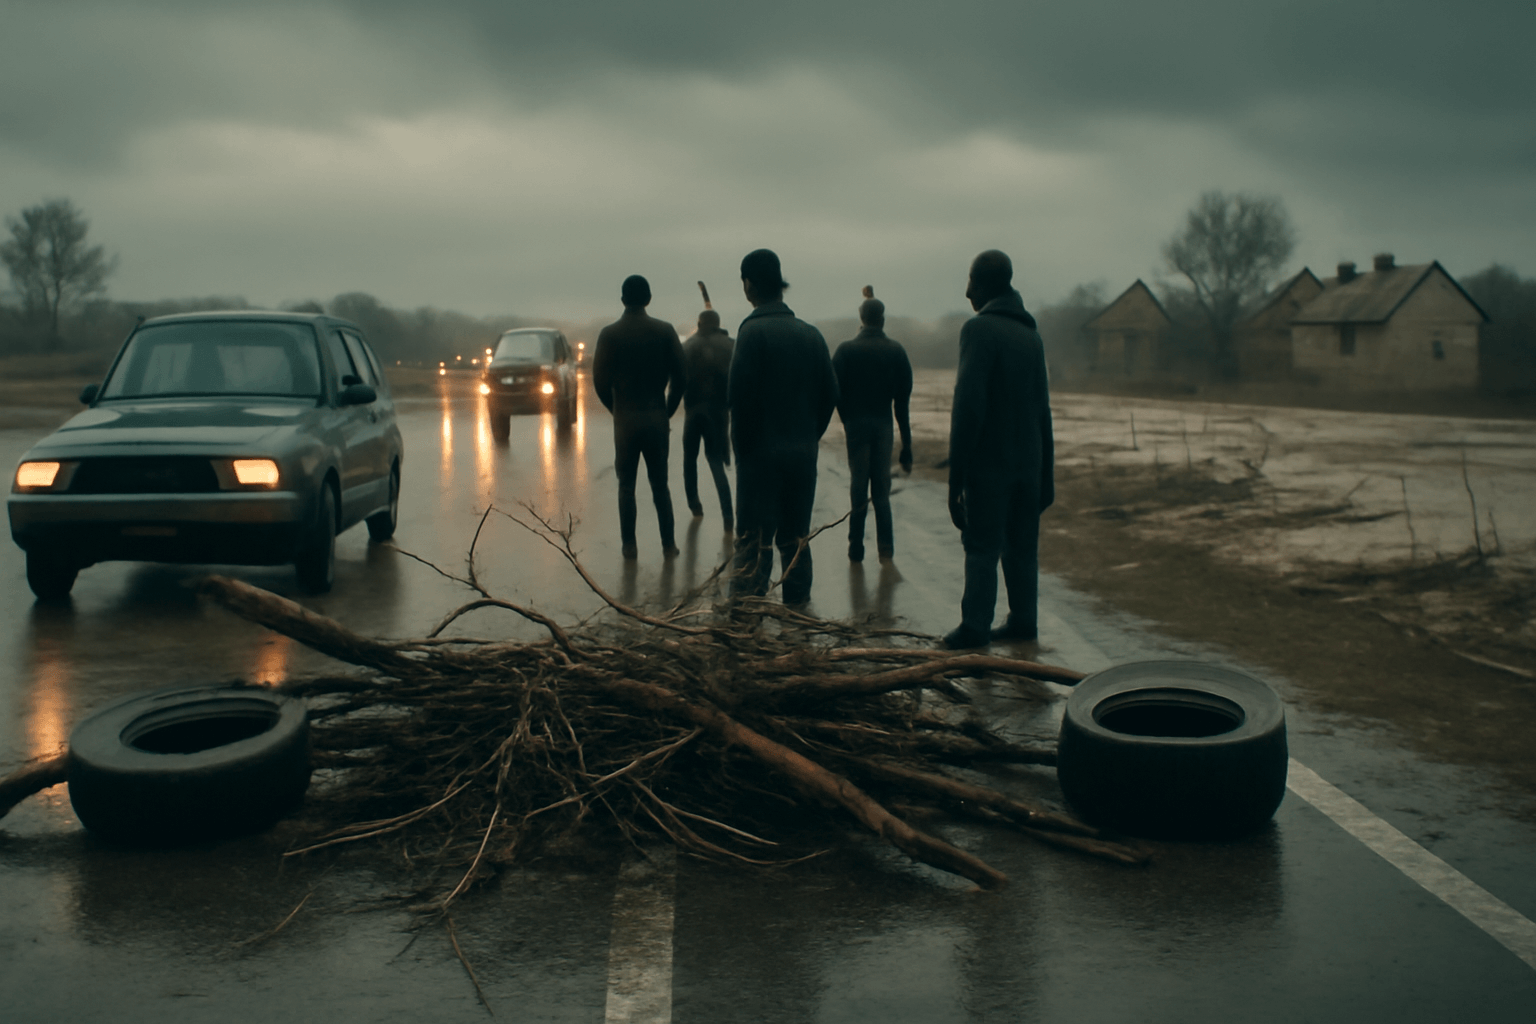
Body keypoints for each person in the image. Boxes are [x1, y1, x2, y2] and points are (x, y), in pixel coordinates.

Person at [943, 250, 1054, 649]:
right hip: (1029, 463)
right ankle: (1024, 620)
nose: (967, 289)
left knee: (982, 545)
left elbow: (968, 406)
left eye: (971, 280)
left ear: (986, 283)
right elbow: (1043, 409)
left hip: (990, 465)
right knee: (1022, 546)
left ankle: (974, 626)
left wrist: (956, 478)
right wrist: (1047, 475)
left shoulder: (979, 330)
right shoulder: (1031, 336)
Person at [728, 249, 839, 605]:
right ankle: (799, 620)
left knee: (752, 541)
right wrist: (808, 437)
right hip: (801, 455)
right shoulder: (811, 335)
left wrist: (743, 451)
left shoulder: (751, 333)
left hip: (759, 458)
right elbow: (830, 396)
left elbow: (739, 403)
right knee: (795, 539)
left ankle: (745, 620)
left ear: (748, 284)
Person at [591, 274, 687, 559]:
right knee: (660, 485)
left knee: (626, 486)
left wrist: (615, 408)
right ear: (648, 299)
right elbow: (681, 377)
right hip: (656, 416)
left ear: (623, 300)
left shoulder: (609, 335)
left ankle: (629, 546)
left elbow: (599, 381)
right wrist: (667, 409)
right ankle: (668, 546)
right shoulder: (665, 331)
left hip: (626, 420)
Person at [832, 291, 913, 563]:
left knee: (858, 486)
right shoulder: (896, 351)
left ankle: (855, 548)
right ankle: (886, 551)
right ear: (883, 319)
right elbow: (902, 405)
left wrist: (847, 419)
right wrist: (907, 447)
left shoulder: (845, 350)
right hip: (883, 425)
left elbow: (834, 393)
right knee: (882, 491)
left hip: (856, 425)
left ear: (861, 318)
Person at [680, 308, 735, 529]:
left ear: (699, 323)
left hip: (693, 411)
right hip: (719, 412)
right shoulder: (731, 345)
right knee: (716, 462)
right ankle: (728, 515)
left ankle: (695, 505)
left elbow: (678, 381)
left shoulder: (687, 346)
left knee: (689, 459)